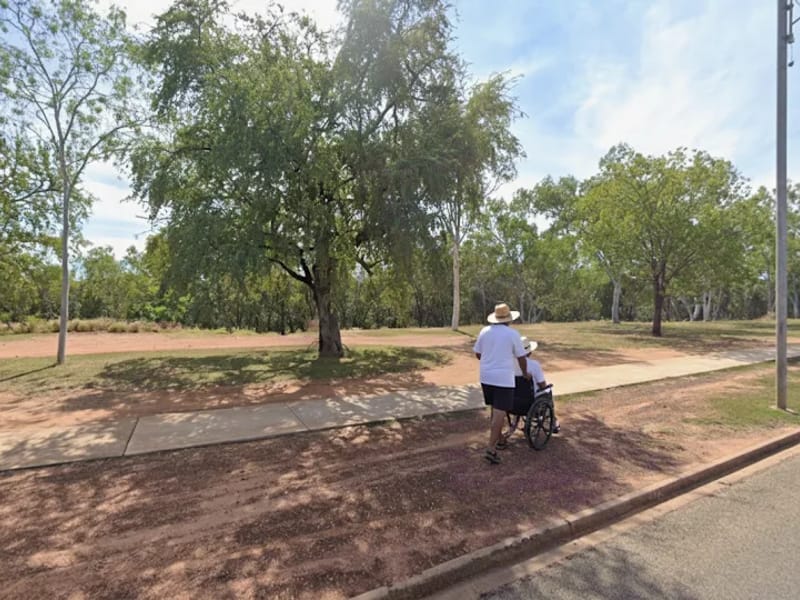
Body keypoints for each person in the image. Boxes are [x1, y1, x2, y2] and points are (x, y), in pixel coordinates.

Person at [473, 302, 530, 464]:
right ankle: (491, 448)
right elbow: (521, 357)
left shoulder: (484, 331)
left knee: (495, 409)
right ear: (509, 319)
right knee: (500, 413)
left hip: (486, 377)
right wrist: (524, 373)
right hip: (503, 378)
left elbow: (478, 353)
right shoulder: (512, 334)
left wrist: (489, 359)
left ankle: (499, 440)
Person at [515, 336, 560, 434]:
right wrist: (546, 388)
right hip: (530, 399)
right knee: (548, 391)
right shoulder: (534, 365)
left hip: (514, 400)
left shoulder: (510, 365)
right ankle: (553, 420)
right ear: (530, 352)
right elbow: (542, 384)